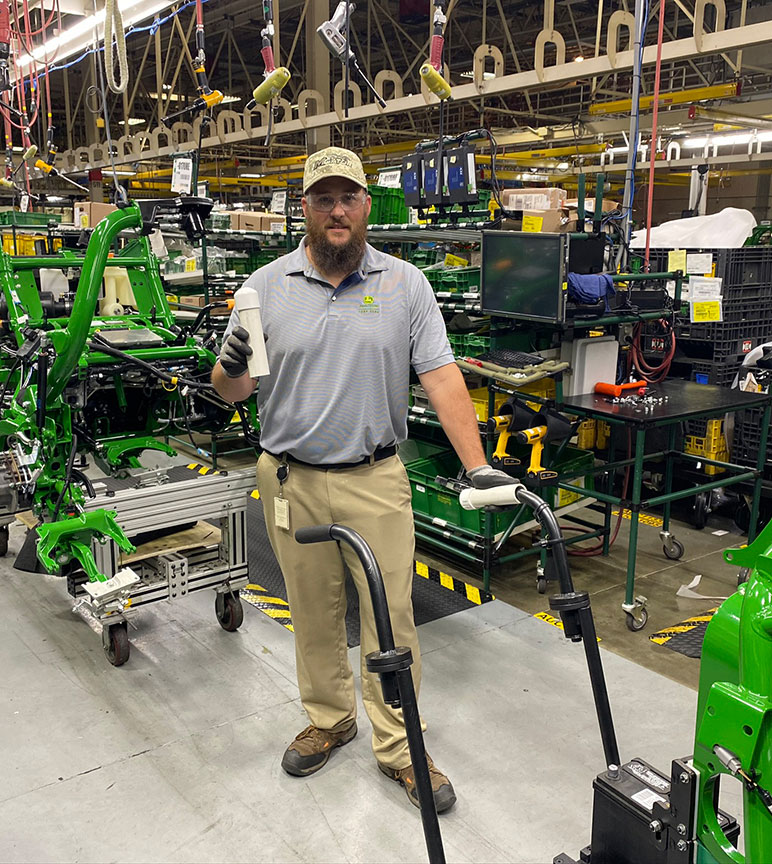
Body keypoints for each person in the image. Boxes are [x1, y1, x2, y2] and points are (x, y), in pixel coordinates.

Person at [212, 146, 517, 813]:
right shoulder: (262, 287)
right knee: (313, 613)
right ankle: (330, 719)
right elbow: (232, 391)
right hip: (290, 479)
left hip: (376, 478)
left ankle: (401, 744)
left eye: (348, 196)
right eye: (324, 198)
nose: (338, 210)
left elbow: (440, 377)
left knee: (390, 618)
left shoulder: (406, 285)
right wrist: (231, 359)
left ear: (366, 206)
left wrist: (477, 465)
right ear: (306, 208)